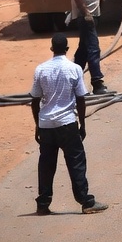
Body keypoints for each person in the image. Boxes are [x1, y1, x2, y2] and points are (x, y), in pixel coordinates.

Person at [30, 33, 108, 215]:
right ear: (66, 49)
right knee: (76, 162)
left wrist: (38, 126)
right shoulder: (74, 69)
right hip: (67, 123)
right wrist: (82, 124)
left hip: (46, 125)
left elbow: (34, 100)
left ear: (51, 49)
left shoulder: (41, 69)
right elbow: (81, 99)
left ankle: (43, 203)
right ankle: (86, 201)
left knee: (46, 165)